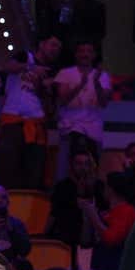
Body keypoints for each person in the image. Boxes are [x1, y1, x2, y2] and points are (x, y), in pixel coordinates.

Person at [0, 35, 62, 190]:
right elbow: (7, 66)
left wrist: (42, 89)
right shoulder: (26, 57)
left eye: (59, 47)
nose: (56, 49)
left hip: (37, 126)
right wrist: (31, 68)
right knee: (8, 169)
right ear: (41, 44)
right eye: (53, 44)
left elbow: (51, 109)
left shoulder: (53, 73)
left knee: (33, 173)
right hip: (13, 122)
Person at [54, 41, 110, 173]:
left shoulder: (102, 75)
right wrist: (80, 85)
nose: (85, 54)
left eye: (89, 51)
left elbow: (104, 103)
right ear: (76, 54)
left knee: (92, 168)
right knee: (68, 169)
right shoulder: (65, 73)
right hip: (70, 127)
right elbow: (62, 100)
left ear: (94, 55)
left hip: (93, 128)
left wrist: (96, 83)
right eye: (82, 51)